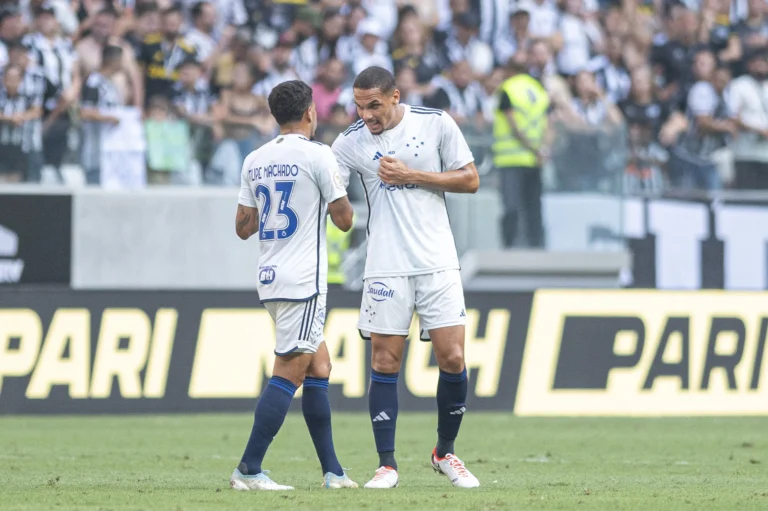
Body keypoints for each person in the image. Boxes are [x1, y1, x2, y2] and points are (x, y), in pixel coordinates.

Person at [331, 66, 481, 490]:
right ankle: (386, 465)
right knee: (384, 362)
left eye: (374, 105)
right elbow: (339, 208)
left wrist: (412, 175)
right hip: (386, 264)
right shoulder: (348, 143)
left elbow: (470, 179)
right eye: (359, 106)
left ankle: (445, 453)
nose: (366, 114)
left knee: (452, 359)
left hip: (438, 261)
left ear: (395, 96)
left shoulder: (435, 123)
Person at [232, 80, 357, 491]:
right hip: (304, 282)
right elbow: (344, 220)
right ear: (310, 113)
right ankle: (249, 468)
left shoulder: (255, 159)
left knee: (319, 365)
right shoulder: (318, 155)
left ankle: (334, 473)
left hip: (270, 277)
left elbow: (243, 227)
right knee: (290, 371)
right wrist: (333, 192)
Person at [493, 52, 549, 248]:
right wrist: (542, 149)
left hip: (510, 160)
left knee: (511, 207)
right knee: (534, 207)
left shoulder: (508, 89)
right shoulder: (538, 89)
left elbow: (513, 125)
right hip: (535, 159)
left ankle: (509, 247)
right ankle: (537, 248)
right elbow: (548, 122)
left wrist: (532, 147)